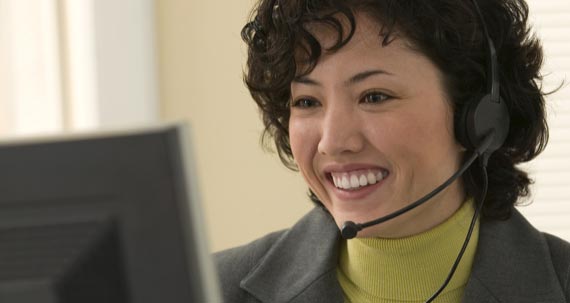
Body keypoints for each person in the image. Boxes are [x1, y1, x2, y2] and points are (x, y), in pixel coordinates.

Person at [215, 0, 570, 302]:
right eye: (307, 101)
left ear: (475, 116)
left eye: (374, 96)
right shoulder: (209, 289)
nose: (333, 141)